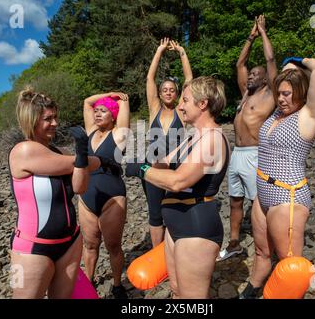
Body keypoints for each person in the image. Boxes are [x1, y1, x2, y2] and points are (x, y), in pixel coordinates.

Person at [126, 76, 230, 298]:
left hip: (196, 226)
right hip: (177, 224)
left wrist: (142, 170)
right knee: (175, 290)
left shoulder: (212, 139)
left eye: (185, 100)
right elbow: (163, 162)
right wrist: (138, 157)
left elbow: (178, 180)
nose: (180, 106)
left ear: (202, 104)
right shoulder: (193, 137)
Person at [239, 57, 315, 298]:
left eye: (287, 94)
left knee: (289, 264)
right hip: (263, 194)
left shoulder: (308, 116)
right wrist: (288, 71)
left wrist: (296, 61)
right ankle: (252, 290)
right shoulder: (278, 113)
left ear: (301, 93)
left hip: (286, 196)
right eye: (279, 93)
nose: (281, 99)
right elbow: (284, 76)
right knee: (261, 251)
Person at [9, 87, 101, 298]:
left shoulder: (58, 152)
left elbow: (80, 187)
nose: (55, 123)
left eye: (55, 117)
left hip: (69, 243)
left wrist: (82, 156)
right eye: (48, 119)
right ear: (31, 120)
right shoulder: (23, 151)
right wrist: (87, 158)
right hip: (31, 248)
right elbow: (80, 164)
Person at [217, 15, 276, 261]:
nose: (250, 76)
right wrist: (250, 37)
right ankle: (234, 244)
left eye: (255, 74)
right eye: (250, 74)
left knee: (260, 205)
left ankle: (268, 248)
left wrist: (263, 32)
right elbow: (240, 64)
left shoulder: (269, 94)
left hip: (255, 154)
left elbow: (271, 60)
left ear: (264, 79)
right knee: (235, 201)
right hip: (237, 154)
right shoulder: (245, 95)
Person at [78, 92, 130, 299]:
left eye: (103, 111)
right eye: (96, 111)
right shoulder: (90, 132)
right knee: (90, 244)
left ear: (114, 116)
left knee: (113, 246)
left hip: (112, 197)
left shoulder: (119, 134)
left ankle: (117, 285)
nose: (97, 114)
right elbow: (86, 101)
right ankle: (89, 282)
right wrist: (107, 95)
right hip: (87, 196)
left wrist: (118, 99)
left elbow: (124, 103)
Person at [144, 38, 193, 247]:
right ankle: (157, 254)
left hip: (175, 168)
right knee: (155, 213)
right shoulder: (154, 108)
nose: (168, 92)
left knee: (173, 209)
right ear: (160, 92)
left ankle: (176, 249)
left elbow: (189, 79)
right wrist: (159, 51)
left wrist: (182, 51)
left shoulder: (182, 112)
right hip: (154, 167)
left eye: (172, 90)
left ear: (176, 94)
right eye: (165, 89)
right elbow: (150, 78)